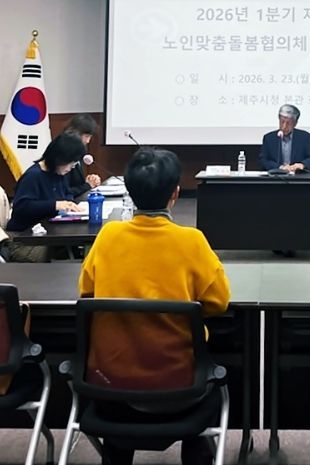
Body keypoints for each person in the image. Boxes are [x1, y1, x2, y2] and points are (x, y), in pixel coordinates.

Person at [79, 147, 231, 465]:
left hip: (110, 386)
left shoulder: (108, 237)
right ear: (175, 193)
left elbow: (87, 292)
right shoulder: (191, 241)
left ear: (130, 191)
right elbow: (218, 302)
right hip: (181, 388)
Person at [6, 133, 84, 262]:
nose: (72, 167)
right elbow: (21, 207)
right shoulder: (33, 176)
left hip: (45, 233)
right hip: (25, 240)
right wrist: (55, 205)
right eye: (71, 162)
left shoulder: (58, 173)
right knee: (69, 253)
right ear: (60, 158)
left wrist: (68, 203)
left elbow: (67, 193)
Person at [258, 104, 310, 172]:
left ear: (295, 123)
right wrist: (280, 167)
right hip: (276, 175)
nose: (284, 126)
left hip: (298, 175)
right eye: (282, 122)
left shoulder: (305, 137)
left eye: (288, 123)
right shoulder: (269, 138)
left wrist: (302, 165)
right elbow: (263, 160)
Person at [63, 113, 101, 196]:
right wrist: (87, 186)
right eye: (86, 136)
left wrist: (89, 181)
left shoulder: (78, 152)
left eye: (90, 137)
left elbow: (75, 184)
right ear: (74, 133)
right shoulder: (64, 154)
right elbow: (64, 192)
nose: (88, 141)